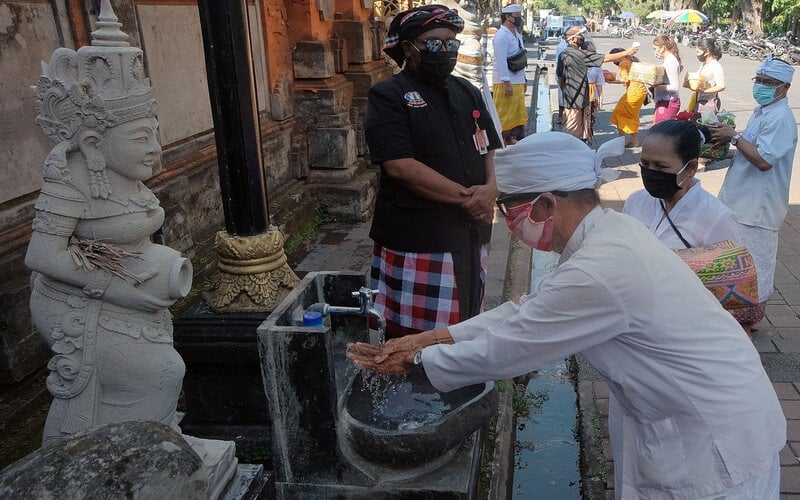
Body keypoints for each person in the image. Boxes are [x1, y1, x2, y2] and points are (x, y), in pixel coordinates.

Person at [348, 131, 786, 499]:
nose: (510, 223)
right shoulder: (611, 231)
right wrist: (430, 338)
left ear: (545, 205)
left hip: (714, 441)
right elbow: (527, 311)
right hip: (694, 414)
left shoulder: (601, 268)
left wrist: (417, 361)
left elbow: (515, 346)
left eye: (509, 210)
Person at [363, 4, 502, 339]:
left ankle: (463, 384)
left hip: (468, 233)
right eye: (435, 43)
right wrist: (470, 198)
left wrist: (491, 189)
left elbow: (486, 147)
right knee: (415, 337)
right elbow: (400, 166)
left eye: (451, 43)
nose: (446, 50)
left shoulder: (466, 90)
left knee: (466, 324)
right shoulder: (388, 95)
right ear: (409, 49)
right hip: (419, 235)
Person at [712, 56, 798, 331]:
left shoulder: (782, 118)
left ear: (784, 88)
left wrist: (735, 137)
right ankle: (737, 315)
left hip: (757, 208)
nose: (761, 86)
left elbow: (763, 161)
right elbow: (752, 152)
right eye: (758, 81)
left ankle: (749, 320)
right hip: (740, 202)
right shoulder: (764, 112)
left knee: (755, 267)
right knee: (738, 264)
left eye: (768, 83)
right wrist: (727, 151)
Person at [623, 119, 740, 249]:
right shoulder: (635, 202)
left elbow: (731, 267)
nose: (650, 172)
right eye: (645, 164)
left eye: (661, 166)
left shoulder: (716, 218)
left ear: (691, 168)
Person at [557, 26, 638, 141]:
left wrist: (565, 91)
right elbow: (606, 58)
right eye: (580, 36)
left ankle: (578, 151)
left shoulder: (564, 54)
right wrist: (628, 52)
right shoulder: (580, 54)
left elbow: (560, 78)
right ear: (573, 39)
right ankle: (569, 152)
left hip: (571, 97)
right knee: (572, 130)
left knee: (578, 128)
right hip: (577, 99)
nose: (582, 38)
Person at [492, 3, 528, 144]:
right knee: (504, 114)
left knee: (517, 114)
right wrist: (506, 82)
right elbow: (501, 61)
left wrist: (524, 79)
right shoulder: (501, 36)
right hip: (505, 82)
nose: (519, 19)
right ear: (508, 17)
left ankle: (514, 138)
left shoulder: (517, 34)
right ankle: (502, 139)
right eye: (517, 16)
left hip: (518, 79)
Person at [608, 47, 647, 148]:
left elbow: (625, 80)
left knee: (618, 113)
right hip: (640, 92)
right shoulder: (631, 60)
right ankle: (633, 141)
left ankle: (622, 140)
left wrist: (611, 81)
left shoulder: (623, 63)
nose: (613, 61)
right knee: (632, 116)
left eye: (613, 58)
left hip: (633, 93)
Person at [651, 34, 683, 124]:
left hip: (669, 102)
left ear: (663, 47)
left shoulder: (671, 61)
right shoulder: (667, 60)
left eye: (655, 49)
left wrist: (656, 85)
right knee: (657, 130)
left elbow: (674, 87)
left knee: (662, 133)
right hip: (663, 100)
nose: (654, 52)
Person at [692, 37, 725, 114]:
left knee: (703, 125)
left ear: (707, 52)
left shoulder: (716, 66)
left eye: (698, 51)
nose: (697, 54)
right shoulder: (704, 64)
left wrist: (705, 91)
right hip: (699, 101)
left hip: (708, 104)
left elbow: (721, 86)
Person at [584, 42, 605, 146]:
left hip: (593, 95)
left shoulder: (597, 66)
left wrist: (601, 98)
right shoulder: (578, 63)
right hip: (580, 94)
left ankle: (589, 137)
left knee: (591, 118)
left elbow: (600, 83)